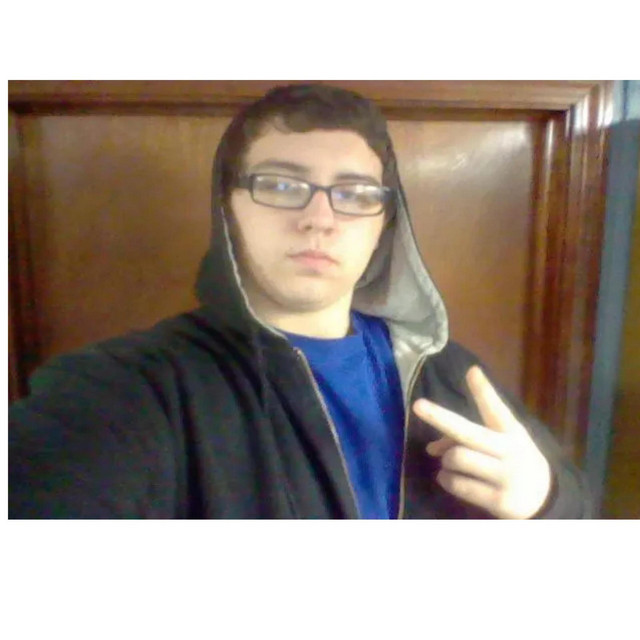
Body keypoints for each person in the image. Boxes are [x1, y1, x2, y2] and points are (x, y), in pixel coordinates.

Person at [9, 83, 591, 519]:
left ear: (383, 224)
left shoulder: (453, 374)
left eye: (354, 193)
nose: (320, 218)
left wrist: (545, 500)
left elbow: (582, 516)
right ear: (228, 208)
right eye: (282, 185)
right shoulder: (129, 388)